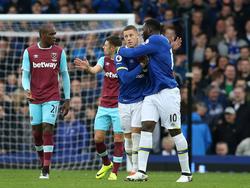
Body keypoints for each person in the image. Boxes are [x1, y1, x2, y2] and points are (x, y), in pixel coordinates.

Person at [117, 18, 192, 182]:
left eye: (143, 29)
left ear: (149, 29)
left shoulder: (156, 39)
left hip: (167, 92)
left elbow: (131, 52)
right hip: (151, 93)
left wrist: (119, 49)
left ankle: (186, 173)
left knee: (174, 131)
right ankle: (141, 171)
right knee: (146, 127)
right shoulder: (160, 43)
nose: (142, 32)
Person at [21, 23, 70, 179]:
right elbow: (25, 75)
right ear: (42, 35)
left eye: (55, 33)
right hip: (35, 97)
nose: (54, 37)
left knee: (47, 128)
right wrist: (27, 90)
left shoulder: (59, 52)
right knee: (36, 133)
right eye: (51, 34)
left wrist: (67, 98)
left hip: (52, 96)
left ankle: (46, 169)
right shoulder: (29, 52)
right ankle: (43, 161)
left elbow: (65, 75)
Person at [74, 36, 123, 181]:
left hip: (119, 106)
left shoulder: (124, 62)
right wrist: (88, 68)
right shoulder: (103, 60)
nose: (103, 47)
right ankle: (106, 163)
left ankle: (115, 171)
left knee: (118, 138)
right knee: (98, 139)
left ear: (113, 47)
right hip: (104, 105)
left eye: (106, 45)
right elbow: (95, 70)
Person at [114, 25, 147, 175]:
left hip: (139, 100)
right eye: (126, 36)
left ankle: (137, 169)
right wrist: (141, 66)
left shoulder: (145, 53)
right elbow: (126, 79)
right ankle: (132, 166)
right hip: (123, 102)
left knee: (136, 134)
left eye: (131, 35)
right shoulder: (120, 55)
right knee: (127, 137)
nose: (128, 39)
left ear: (137, 36)